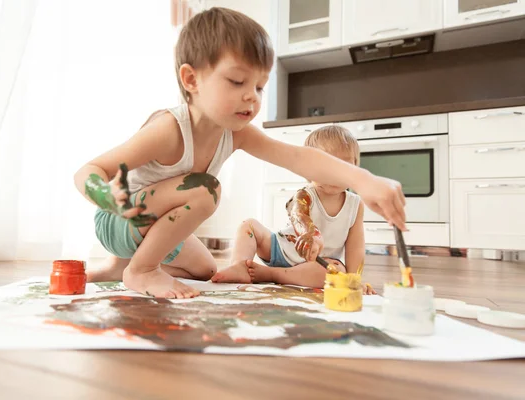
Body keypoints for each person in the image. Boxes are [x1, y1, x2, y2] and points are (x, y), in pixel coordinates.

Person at [73, 7, 405, 299]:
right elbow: (88, 171)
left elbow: (298, 157)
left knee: (205, 270)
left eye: (259, 86)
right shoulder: (169, 129)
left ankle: (121, 267)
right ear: (191, 80)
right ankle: (141, 269)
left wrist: (363, 180)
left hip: (152, 231)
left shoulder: (235, 133)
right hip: (120, 220)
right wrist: (107, 198)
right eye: (236, 82)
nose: (252, 97)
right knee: (206, 190)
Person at [212, 125, 376, 294]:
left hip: (318, 264)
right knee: (249, 226)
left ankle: (272, 274)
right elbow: (298, 215)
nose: (334, 174)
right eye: (326, 166)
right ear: (307, 168)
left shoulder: (356, 205)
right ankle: (239, 266)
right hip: (281, 250)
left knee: (335, 272)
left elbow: (355, 246)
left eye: (343, 166)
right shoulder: (305, 195)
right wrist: (310, 234)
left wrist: (354, 280)